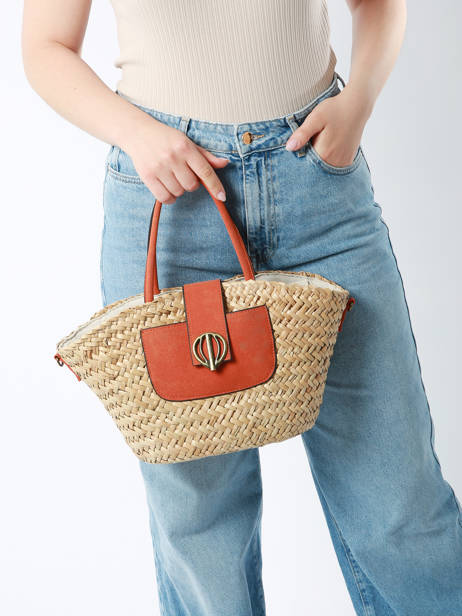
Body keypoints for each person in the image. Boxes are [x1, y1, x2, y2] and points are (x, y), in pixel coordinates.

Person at [22, 0, 462, 614]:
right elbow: (45, 46)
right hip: (168, 200)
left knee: (400, 507)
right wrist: (137, 134)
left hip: (318, 187)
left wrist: (358, 102)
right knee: (200, 531)